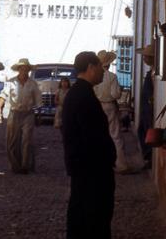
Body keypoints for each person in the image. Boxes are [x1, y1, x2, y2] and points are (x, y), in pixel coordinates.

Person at [62, 51, 116, 238]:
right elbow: (93, 137)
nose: (103, 72)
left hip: (84, 167)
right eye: (100, 67)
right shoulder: (82, 96)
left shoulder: (79, 93)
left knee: (83, 213)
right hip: (91, 169)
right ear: (91, 68)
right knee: (92, 216)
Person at [0, 58, 42, 173]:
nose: (24, 70)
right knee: (12, 141)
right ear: (18, 69)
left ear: (28, 70)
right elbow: (3, 95)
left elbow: (38, 101)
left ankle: (25, 166)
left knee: (27, 140)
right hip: (14, 113)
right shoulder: (11, 82)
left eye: (26, 68)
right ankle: (15, 166)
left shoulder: (33, 84)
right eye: (22, 68)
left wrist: (39, 116)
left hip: (28, 114)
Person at [94, 50, 127, 172]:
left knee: (99, 134)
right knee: (115, 135)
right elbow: (116, 94)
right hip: (110, 106)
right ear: (109, 63)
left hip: (97, 106)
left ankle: (100, 163)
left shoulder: (95, 77)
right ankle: (121, 165)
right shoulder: (112, 77)